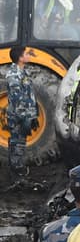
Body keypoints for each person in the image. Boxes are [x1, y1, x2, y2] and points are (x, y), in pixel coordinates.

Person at [4, 43, 38, 181]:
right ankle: (16, 171)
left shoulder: (24, 72)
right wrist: (24, 117)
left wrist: (33, 115)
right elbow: (17, 98)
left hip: (25, 114)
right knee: (17, 142)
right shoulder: (13, 75)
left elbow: (29, 95)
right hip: (18, 116)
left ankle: (17, 167)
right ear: (20, 58)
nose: (29, 55)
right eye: (26, 54)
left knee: (20, 142)